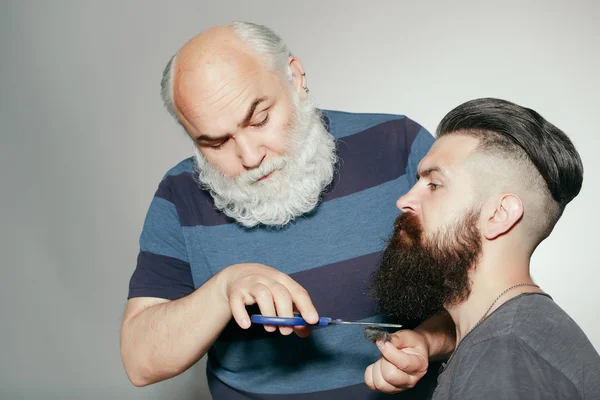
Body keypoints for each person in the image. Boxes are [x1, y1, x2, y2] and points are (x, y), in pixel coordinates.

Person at [120, 21, 455, 399]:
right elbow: (140, 360)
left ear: (295, 77)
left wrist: (428, 342)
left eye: (259, 120)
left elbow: (491, 296)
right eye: (214, 143)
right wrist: (222, 290)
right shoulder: (179, 194)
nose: (249, 157)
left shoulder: (399, 147)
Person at [365, 97, 600, 399]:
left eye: (434, 185)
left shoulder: (500, 362)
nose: (404, 201)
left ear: (499, 215)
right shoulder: (523, 332)